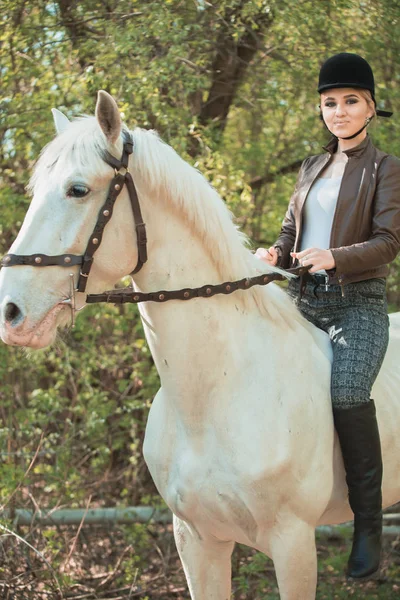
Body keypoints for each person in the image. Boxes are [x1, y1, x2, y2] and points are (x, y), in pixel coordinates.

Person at [256, 52, 400, 580]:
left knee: (346, 394)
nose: (339, 112)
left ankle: (368, 525)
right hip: (303, 299)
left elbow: (390, 242)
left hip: (355, 304)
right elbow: (290, 233)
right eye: (330, 103)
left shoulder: (387, 169)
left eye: (350, 102)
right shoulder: (311, 167)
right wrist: (274, 253)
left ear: (370, 107)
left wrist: (336, 256)